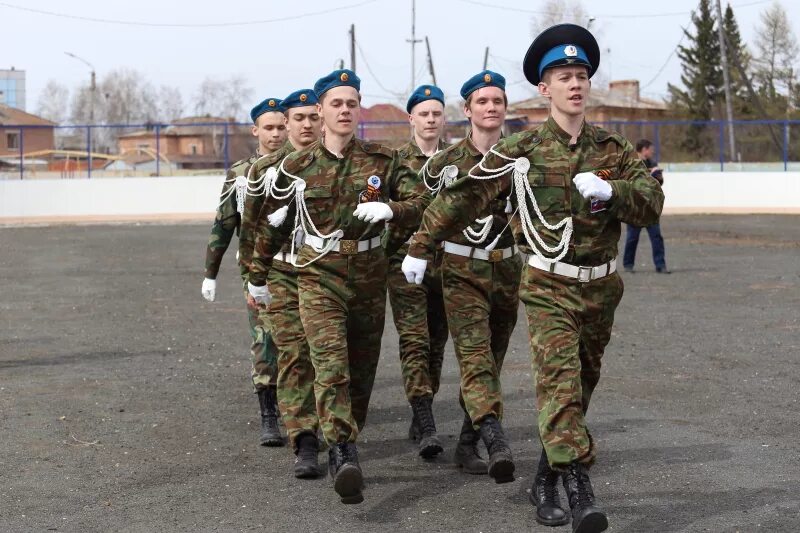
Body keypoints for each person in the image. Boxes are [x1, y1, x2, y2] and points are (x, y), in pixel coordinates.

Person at [402, 24, 663, 532]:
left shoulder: (613, 149)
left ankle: (546, 474)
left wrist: (615, 194)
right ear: (544, 89)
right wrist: (419, 245)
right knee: (559, 383)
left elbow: (651, 207)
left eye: (582, 75)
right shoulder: (520, 151)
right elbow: (461, 199)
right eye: (564, 76)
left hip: (602, 286)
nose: (575, 83)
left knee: (582, 385)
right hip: (548, 286)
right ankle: (579, 489)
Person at [247, 69, 431, 504]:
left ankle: (345, 436)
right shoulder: (295, 166)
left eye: (352, 103)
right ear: (321, 111)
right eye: (336, 104)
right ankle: (342, 452)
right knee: (329, 365)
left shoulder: (382, 161)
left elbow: (423, 202)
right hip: (317, 276)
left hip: (367, 277)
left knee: (362, 369)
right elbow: (269, 227)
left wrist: (392, 209)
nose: (345, 110)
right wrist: (257, 279)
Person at [415, 71, 522, 482]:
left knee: (491, 360)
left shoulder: (522, 159)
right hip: (461, 268)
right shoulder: (446, 164)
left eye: (498, 101)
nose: (491, 107)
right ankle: (495, 439)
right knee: (475, 356)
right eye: (483, 101)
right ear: (468, 110)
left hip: (508, 267)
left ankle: (466, 441)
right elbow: (429, 216)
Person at [239, 89, 324, 477]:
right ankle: (299, 434)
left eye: (312, 117)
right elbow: (246, 231)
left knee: (325, 356)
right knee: (287, 353)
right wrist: (251, 280)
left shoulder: (334, 163)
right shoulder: (264, 171)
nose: (306, 125)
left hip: (324, 273)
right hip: (280, 273)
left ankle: (327, 426)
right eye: (298, 118)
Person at [201, 97, 287, 447]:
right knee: (264, 340)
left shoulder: (302, 166)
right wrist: (210, 272)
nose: (277, 133)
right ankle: (269, 412)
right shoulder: (240, 174)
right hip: (257, 271)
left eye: (282, 126)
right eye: (270, 128)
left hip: (299, 265)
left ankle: (303, 410)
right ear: (256, 131)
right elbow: (224, 224)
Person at [384, 84, 450, 460]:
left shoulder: (456, 161)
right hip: (403, 264)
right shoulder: (395, 163)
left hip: (447, 263)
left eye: (436, 113)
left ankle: (422, 404)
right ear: (411, 119)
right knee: (414, 338)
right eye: (423, 113)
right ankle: (426, 420)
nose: (430, 119)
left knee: (437, 342)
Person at [623, 139, 669, 273]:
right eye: (651, 149)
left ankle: (660, 265)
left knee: (656, 237)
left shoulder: (652, 163)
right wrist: (650, 174)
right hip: (635, 207)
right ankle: (628, 265)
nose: (652, 152)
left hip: (650, 207)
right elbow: (631, 181)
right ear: (644, 149)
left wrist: (656, 175)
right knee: (632, 238)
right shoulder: (630, 162)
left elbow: (659, 182)